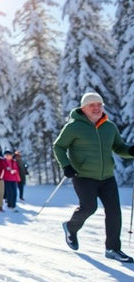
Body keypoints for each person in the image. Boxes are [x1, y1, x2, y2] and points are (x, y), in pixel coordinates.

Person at [54, 92, 134, 263]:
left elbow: (119, 147)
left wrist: (130, 151)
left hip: (107, 176)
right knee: (89, 208)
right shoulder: (73, 127)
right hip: (83, 175)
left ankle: (113, 248)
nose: (97, 108)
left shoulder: (109, 127)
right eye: (92, 105)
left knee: (114, 212)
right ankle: (70, 226)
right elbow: (59, 147)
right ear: (83, 108)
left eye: (99, 104)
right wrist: (66, 166)